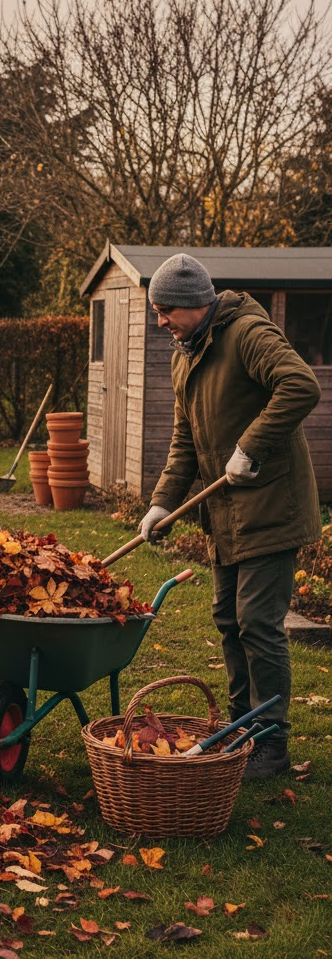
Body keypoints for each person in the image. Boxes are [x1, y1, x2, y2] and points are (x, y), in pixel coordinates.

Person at [138, 253, 321, 780]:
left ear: (197, 303)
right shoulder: (186, 353)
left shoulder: (246, 334)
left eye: (166, 309)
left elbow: (300, 385)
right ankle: (242, 729)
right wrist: (162, 502)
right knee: (227, 621)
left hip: (270, 508)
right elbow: (183, 440)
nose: (160, 322)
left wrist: (252, 445)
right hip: (226, 516)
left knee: (258, 625)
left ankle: (271, 743)